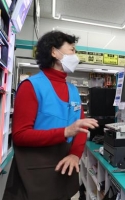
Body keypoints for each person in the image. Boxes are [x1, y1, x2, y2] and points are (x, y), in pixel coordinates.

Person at [4, 31, 98, 200]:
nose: (75, 56)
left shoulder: (73, 90)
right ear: (54, 52)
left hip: (63, 171)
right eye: (72, 50)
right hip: (35, 173)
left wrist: (75, 154)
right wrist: (65, 132)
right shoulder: (30, 86)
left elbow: (82, 127)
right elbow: (20, 135)